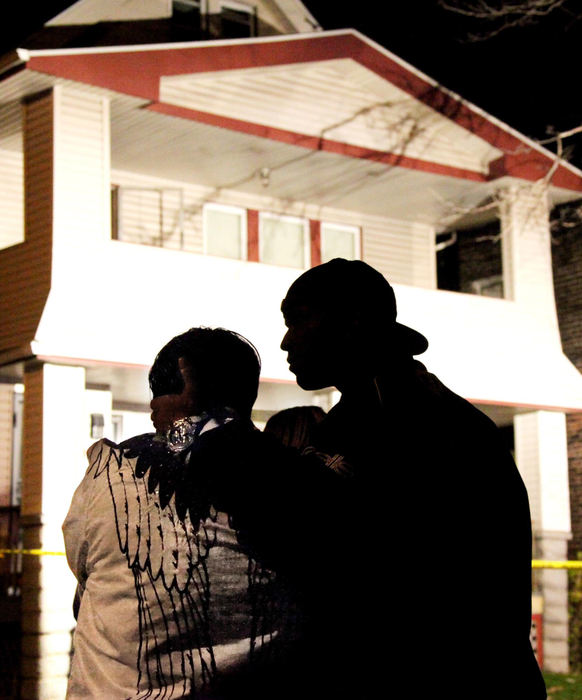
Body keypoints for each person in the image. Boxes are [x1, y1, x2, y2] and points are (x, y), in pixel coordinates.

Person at [151, 258, 547, 699]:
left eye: (298, 321)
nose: (285, 341)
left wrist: (199, 429)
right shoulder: (363, 414)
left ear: (351, 321)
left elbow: (334, 532)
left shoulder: (418, 420)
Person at [62, 327, 303, 699]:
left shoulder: (111, 471)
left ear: (184, 387)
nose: (152, 411)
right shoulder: (292, 478)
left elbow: (85, 573)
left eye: (158, 395)